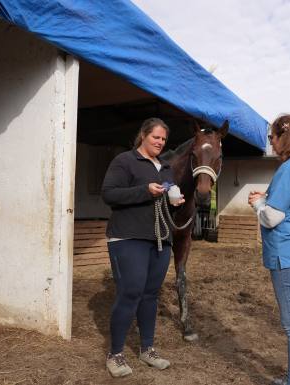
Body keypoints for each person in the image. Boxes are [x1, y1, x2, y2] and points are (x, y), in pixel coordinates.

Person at [101, 117, 184, 378]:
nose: (159, 142)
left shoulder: (166, 167)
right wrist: (144, 191)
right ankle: (115, 354)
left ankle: (147, 348)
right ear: (143, 135)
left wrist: (174, 200)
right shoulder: (125, 161)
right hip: (128, 236)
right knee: (131, 292)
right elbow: (109, 194)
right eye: (155, 137)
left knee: (150, 294)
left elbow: (165, 196)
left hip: (160, 238)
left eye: (163, 139)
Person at [248, 114, 290, 385]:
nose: (271, 143)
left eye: (272, 138)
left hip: (285, 253)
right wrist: (266, 199)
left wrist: (258, 205)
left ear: (282, 137)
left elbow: (272, 218)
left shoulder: (288, 169)